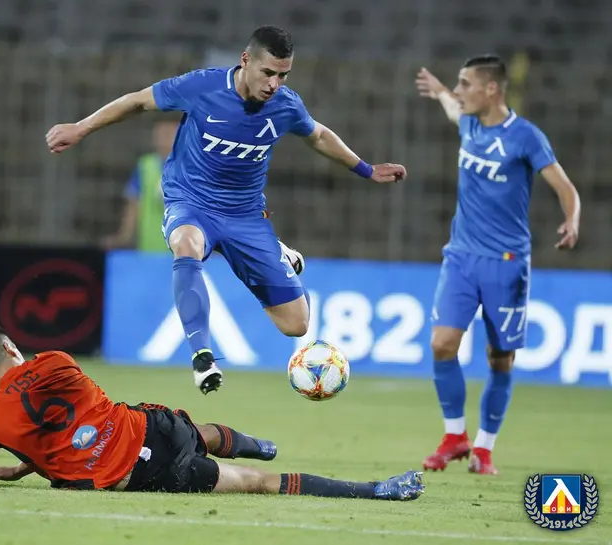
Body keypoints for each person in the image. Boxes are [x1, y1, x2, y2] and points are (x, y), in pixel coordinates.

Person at [45, 26, 407, 395]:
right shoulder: (202, 87)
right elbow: (138, 101)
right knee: (186, 243)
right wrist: (81, 128)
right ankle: (202, 355)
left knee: (296, 324)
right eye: (268, 73)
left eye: (283, 75)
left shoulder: (286, 105)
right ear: (246, 60)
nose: (274, 84)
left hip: (245, 216)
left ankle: (273, 251)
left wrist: (366, 169)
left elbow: (318, 135)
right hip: (190, 201)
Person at [0, 325, 425, 501]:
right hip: (152, 427)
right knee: (197, 429)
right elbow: (68, 420)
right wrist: (16, 468)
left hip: (145, 472)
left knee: (256, 483)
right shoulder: (56, 361)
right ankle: (253, 439)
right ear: (11, 348)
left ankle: (376, 490)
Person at [415, 55, 581, 475]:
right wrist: (439, 91)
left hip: (506, 264)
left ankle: (484, 449)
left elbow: (565, 187)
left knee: (500, 356)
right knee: (442, 343)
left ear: (491, 89)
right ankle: (455, 436)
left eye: (465, 83)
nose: (459, 91)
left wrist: (572, 220)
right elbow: (452, 107)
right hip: (461, 256)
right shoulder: (469, 123)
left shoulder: (526, 137)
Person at [101, 118, 180, 253]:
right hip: (150, 246)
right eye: (159, 134)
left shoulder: (192, 167)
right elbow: (133, 204)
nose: (163, 139)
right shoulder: (145, 166)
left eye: (168, 133)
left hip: (183, 247)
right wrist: (123, 237)